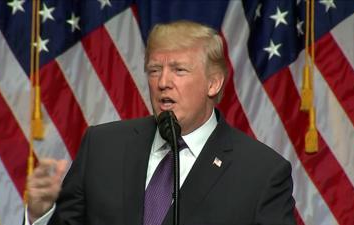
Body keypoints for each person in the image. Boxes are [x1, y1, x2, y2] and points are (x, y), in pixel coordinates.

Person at [25, 20, 296, 225]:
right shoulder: (102, 147)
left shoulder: (261, 174)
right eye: (155, 70)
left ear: (213, 83)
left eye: (179, 70)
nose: (163, 82)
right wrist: (41, 214)